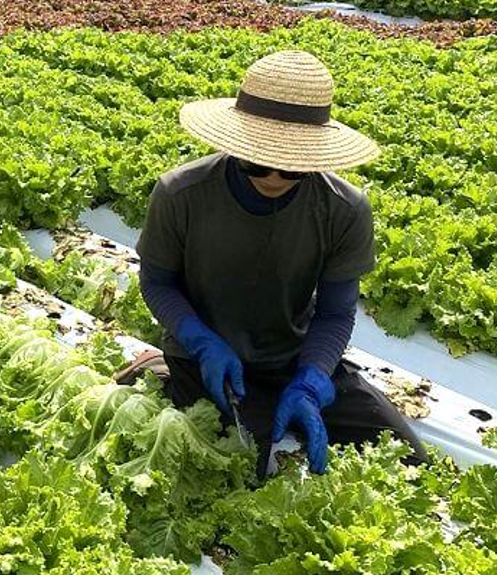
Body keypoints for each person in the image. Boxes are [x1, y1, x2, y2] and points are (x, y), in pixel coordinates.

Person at [136, 49, 426, 475]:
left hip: (293, 355)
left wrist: (313, 377)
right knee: (244, 468)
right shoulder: (181, 194)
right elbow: (157, 282)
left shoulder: (343, 209)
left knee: (409, 457)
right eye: (257, 162)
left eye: (292, 169)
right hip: (207, 358)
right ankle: (164, 370)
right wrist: (200, 342)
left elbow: (335, 312)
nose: (273, 178)